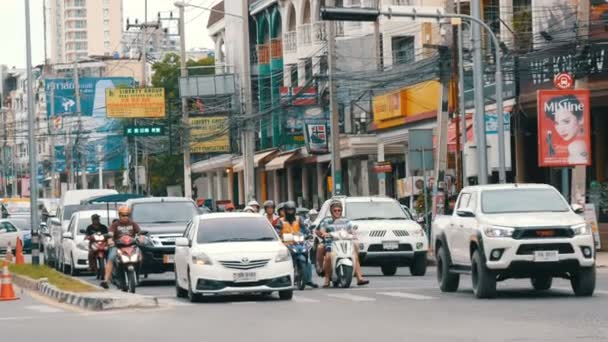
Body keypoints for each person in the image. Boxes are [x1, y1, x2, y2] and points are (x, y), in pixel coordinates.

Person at [316, 200, 369, 288]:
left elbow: (351, 231)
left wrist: (353, 234)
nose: (337, 212)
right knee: (329, 256)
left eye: (339, 210)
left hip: (345, 242)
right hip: (331, 243)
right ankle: (327, 279)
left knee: (354, 255)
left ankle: (359, 277)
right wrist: (324, 233)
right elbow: (321, 230)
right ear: (331, 211)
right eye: (335, 210)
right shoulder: (326, 220)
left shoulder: (346, 220)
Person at [100, 206, 142, 289]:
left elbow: (140, 233)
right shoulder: (115, 225)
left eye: (127, 215)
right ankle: (106, 280)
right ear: (119, 215)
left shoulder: (133, 224)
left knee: (140, 256)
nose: (125, 217)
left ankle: (137, 275)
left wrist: (141, 239)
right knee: (111, 258)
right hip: (117, 246)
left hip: (131, 246)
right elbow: (110, 235)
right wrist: (110, 240)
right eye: (123, 215)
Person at [280, 201, 318, 289]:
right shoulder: (280, 221)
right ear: (285, 211)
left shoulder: (299, 219)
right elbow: (277, 231)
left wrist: (308, 233)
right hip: (286, 245)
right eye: (288, 210)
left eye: (292, 210)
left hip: (298, 243)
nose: (290, 212)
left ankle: (308, 279)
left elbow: (305, 228)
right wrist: (280, 236)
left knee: (307, 261)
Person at [544, 95, 588, 164]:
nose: (561, 130)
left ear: (581, 119)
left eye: (566, 121)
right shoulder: (583, 142)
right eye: (557, 123)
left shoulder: (576, 146)